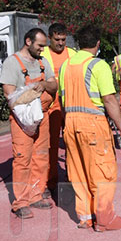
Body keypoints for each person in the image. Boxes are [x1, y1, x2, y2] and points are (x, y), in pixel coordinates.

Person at [59, 24, 121, 231]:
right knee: (102, 171)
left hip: (71, 123)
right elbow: (109, 100)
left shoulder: (65, 66)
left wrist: (67, 124)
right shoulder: (98, 65)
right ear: (97, 43)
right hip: (93, 123)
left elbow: (63, 100)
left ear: (79, 43)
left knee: (78, 170)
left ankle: (85, 216)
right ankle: (105, 219)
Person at [0, 28, 57, 219]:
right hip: (22, 120)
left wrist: (43, 85)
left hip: (43, 116)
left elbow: (54, 84)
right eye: (40, 45)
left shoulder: (43, 62)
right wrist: (34, 92)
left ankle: (35, 194)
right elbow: (10, 94)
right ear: (28, 41)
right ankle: (21, 203)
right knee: (22, 160)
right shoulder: (12, 63)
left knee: (41, 156)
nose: (42, 49)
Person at [40, 22, 76, 200]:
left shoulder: (73, 54)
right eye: (57, 40)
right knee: (51, 146)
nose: (61, 43)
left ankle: (71, 179)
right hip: (52, 108)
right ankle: (51, 182)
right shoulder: (43, 54)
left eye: (63, 40)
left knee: (72, 144)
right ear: (49, 38)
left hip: (70, 107)